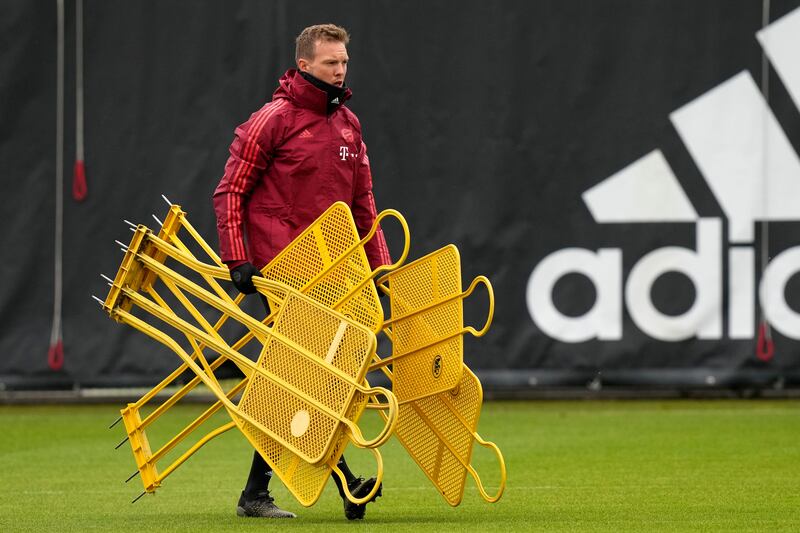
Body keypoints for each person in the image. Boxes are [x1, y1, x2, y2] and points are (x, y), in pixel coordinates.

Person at [212, 24, 391, 520]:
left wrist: (380, 268)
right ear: (304, 65)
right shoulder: (273, 119)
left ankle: (272, 489)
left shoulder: (349, 125)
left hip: (333, 268)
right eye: (331, 62)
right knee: (309, 374)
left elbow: (363, 205)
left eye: (344, 62)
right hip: (282, 267)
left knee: (309, 376)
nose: (340, 70)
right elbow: (230, 191)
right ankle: (331, 483)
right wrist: (238, 259)